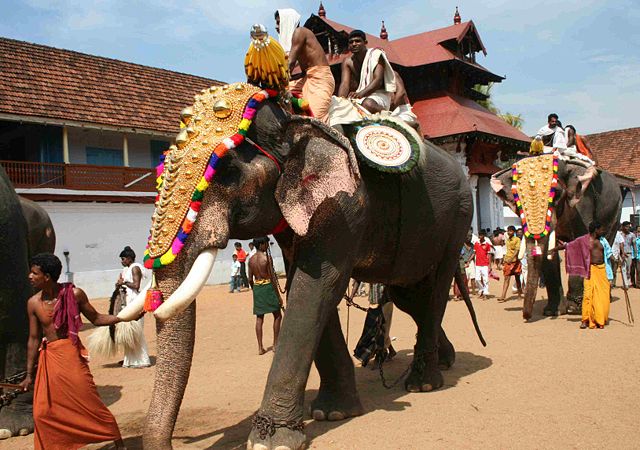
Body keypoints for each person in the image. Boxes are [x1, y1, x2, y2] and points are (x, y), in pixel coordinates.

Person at [19, 253, 125, 450]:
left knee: (89, 401)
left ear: (47, 277)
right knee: (42, 412)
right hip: (49, 358)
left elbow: (97, 318)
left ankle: (119, 443)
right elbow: (33, 339)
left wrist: (125, 317)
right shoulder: (33, 303)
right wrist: (28, 375)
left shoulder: (74, 294)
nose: (30, 276)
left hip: (70, 355)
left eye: (34, 273)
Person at [275, 9, 335, 123]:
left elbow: (290, 64)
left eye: (278, 22)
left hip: (320, 78)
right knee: (281, 101)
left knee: (315, 119)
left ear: (287, 21)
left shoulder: (300, 32)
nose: (276, 27)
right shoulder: (291, 40)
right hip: (306, 77)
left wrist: (276, 82)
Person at [556, 222, 613, 329]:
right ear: (596, 230)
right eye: (601, 229)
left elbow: (609, 253)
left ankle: (599, 320)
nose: (603, 231)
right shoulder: (583, 240)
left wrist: (617, 260)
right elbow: (569, 246)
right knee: (587, 296)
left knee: (602, 296)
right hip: (590, 271)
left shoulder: (603, 240)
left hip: (602, 270)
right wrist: (554, 250)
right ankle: (585, 320)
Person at [337, 29, 396, 114]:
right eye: (351, 42)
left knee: (367, 104)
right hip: (359, 96)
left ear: (365, 42)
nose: (354, 44)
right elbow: (344, 84)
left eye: (357, 41)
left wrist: (361, 94)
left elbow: (378, 80)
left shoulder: (376, 55)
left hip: (378, 95)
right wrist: (341, 101)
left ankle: (388, 116)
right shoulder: (347, 62)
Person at [115, 246, 151, 368]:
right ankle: (129, 360)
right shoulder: (127, 269)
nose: (122, 261)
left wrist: (123, 283)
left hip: (135, 302)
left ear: (130, 258)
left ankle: (142, 360)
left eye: (123, 258)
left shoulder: (135, 268)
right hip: (127, 302)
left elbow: (136, 285)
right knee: (128, 332)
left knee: (136, 331)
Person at [247, 237, 282, 355]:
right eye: (266, 243)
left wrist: (255, 290)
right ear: (261, 244)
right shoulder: (267, 258)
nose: (268, 245)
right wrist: (278, 296)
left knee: (259, 318)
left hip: (257, 288)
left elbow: (249, 279)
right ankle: (276, 344)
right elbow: (272, 277)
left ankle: (260, 347)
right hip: (268, 287)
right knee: (277, 315)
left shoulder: (250, 260)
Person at [499, 226, 522, 302]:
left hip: (515, 261)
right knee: (506, 278)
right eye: (508, 231)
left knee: (517, 278)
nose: (509, 232)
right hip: (507, 261)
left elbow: (517, 250)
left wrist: (511, 259)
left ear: (514, 232)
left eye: (510, 231)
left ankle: (519, 294)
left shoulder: (517, 239)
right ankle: (503, 296)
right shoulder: (507, 240)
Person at [474, 230, 494, 299]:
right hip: (477, 264)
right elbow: (474, 253)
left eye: (481, 235)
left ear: (484, 235)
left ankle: (485, 293)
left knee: (485, 279)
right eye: (479, 235)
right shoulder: (476, 243)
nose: (480, 236)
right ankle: (481, 289)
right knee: (477, 279)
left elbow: (489, 255)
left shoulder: (487, 244)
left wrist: (490, 265)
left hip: (485, 264)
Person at [618, 221, 635, 288]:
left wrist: (635, 255)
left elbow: (634, 245)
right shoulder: (619, 235)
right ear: (623, 227)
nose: (627, 228)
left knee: (628, 269)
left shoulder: (632, 235)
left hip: (629, 254)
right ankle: (626, 284)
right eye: (626, 226)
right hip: (621, 254)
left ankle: (628, 280)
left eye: (628, 226)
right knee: (623, 268)